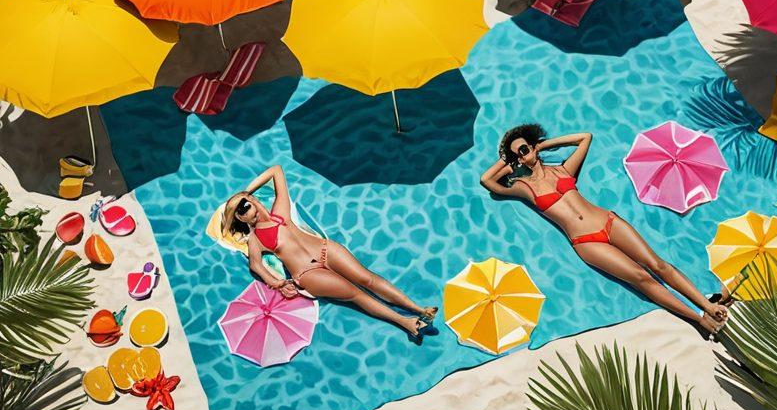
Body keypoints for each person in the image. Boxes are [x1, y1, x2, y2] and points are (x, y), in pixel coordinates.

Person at [480, 123, 730, 336]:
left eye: (524, 150)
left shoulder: (563, 170)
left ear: (533, 146)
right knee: (641, 279)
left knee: (657, 264)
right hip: (586, 242)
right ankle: (698, 319)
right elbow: (487, 180)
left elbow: (584, 138)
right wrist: (509, 161)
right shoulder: (524, 187)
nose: (522, 157)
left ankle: (707, 306)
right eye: (517, 156)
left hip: (607, 222)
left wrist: (542, 146)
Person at [223, 165, 438, 342]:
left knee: (367, 278)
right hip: (307, 273)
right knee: (357, 294)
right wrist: (277, 282)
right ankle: (407, 323)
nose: (246, 207)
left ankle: (418, 309)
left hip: (324, 249)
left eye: (245, 203)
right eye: (241, 210)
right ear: (240, 219)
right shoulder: (255, 239)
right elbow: (256, 266)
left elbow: (277, 171)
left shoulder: (279, 212)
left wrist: (246, 192)